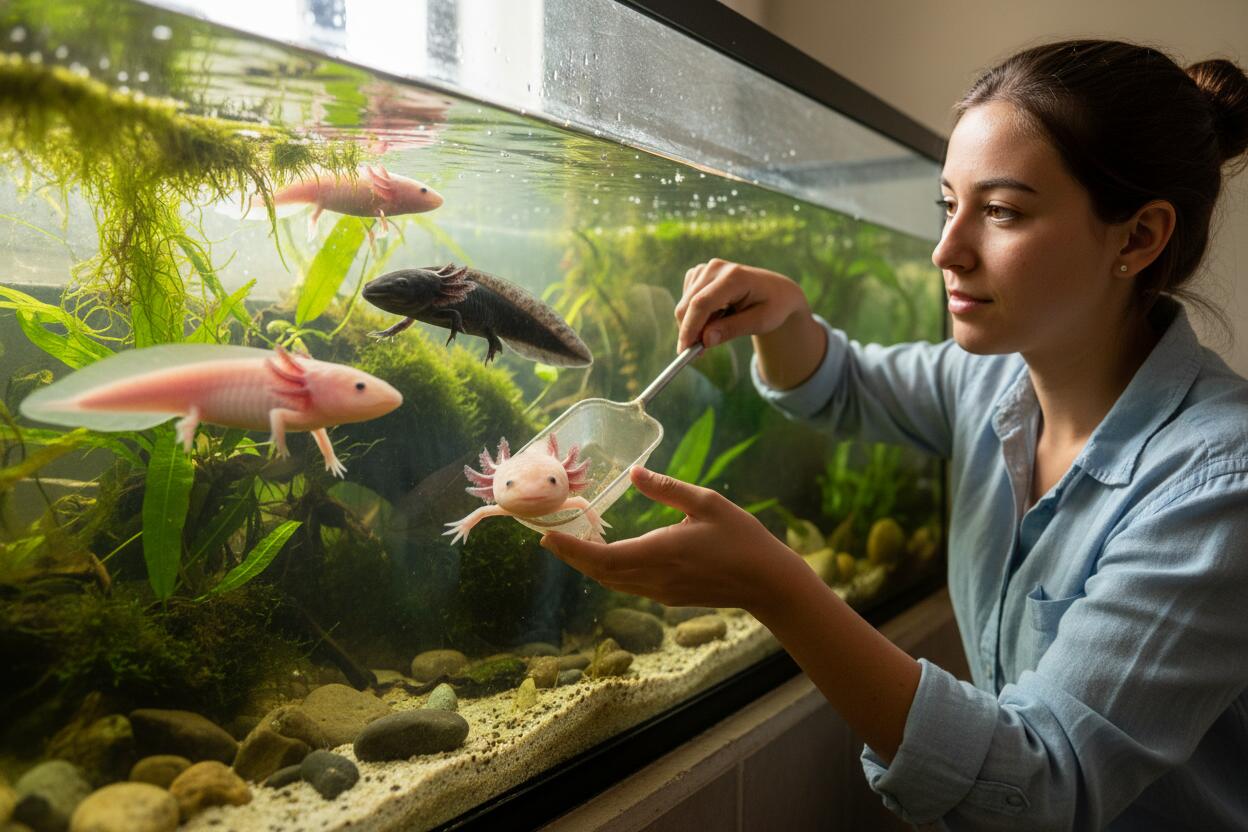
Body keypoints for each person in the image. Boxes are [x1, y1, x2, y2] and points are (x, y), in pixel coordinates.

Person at [539, 39, 1248, 830]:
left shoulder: (1218, 486)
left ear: (1139, 237)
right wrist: (786, 321)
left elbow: (1045, 788)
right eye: (949, 206)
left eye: (1002, 211)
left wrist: (776, 589)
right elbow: (845, 386)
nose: (948, 251)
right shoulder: (992, 380)